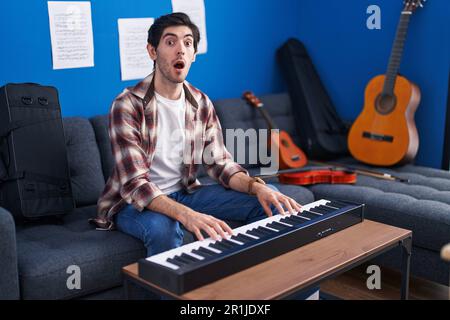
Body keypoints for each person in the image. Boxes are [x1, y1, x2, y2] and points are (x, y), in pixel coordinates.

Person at [92, 12, 302, 257]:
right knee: (164, 230)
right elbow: (135, 184)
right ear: (152, 51)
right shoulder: (127, 104)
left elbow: (220, 164)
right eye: (170, 42)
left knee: (272, 199)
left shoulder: (200, 102)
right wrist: (187, 215)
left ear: (193, 55)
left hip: (186, 192)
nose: (180, 49)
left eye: (188, 43)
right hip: (132, 203)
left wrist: (257, 187)